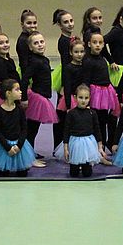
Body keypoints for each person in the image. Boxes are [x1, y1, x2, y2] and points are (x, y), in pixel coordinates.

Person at [0, 79, 36, 177]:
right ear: (8, 93)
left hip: (19, 145)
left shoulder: (20, 109)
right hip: (4, 146)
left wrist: (19, 146)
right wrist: (8, 148)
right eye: (17, 89)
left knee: (22, 173)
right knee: (3, 174)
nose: (21, 92)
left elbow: (24, 129)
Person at [20, 31, 58, 166]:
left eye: (41, 42)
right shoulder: (34, 61)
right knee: (31, 129)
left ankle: (29, 154)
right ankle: (28, 158)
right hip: (37, 98)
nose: (40, 45)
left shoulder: (44, 59)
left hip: (42, 97)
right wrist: (24, 98)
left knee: (33, 130)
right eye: (36, 43)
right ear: (30, 47)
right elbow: (24, 79)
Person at [85, 32, 118, 155]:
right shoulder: (88, 61)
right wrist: (88, 99)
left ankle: (102, 148)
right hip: (95, 95)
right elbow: (86, 80)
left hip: (105, 93)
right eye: (94, 43)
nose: (97, 45)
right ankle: (95, 150)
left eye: (100, 43)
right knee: (95, 123)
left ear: (104, 44)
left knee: (103, 122)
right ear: (89, 44)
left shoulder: (103, 59)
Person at [62, 84, 103, 178]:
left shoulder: (92, 113)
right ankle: (75, 167)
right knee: (73, 174)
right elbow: (66, 130)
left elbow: (97, 130)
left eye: (86, 98)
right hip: (75, 142)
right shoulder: (71, 113)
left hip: (88, 143)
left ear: (89, 98)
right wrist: (66, 147)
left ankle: (86, 167)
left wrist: (99, 146)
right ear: (75, 98)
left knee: (87, 173)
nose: (83, 100)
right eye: (81, 97)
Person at [52, 9, 75, 149]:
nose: (70, 24)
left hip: (71, 73)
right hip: (66, 75)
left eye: (71, 21)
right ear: (60, 26)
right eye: (66, 22)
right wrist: (65, 85)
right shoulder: (63, 41)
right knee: (61, 112)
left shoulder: (70, 39)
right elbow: (66, 64)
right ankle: (58, 145)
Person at [16, 9, 38, 75]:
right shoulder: (23, 40)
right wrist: (26, 82)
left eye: (34, 23)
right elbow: (24, 63)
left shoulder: (32, 37)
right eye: (29, 23)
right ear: (22, 24)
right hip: (28, 75)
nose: (32, 25)